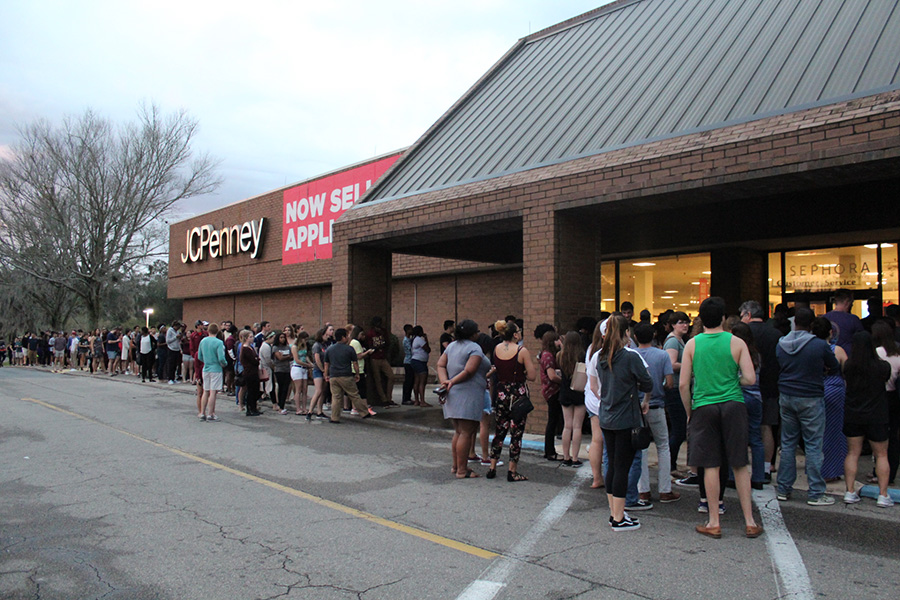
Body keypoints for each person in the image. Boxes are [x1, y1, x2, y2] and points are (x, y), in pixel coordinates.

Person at [681, 297, 762, 539]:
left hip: (704, 406)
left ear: (701, 319)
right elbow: (750, 378)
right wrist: (731, 380)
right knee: (739, 463)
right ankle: (749, 521)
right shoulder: (736, 342)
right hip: (733, 404)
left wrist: (689, 412)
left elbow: (684, 384)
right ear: (724, 319)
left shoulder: (692, 345)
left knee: (710, 464)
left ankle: (714, 521)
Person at [591, 315, 651, 531]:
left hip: (606, 416)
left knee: (613, 465)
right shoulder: (629, 357)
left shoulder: (601, 356)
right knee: (622, 467)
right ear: (626, 333)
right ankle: (618, 517)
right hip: (626, 418)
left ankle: (615, 511)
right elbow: (647, 381)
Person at [776, 306, 840, 506]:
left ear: (794, 322)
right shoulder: (819, 345)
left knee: (788, 444)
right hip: (811, 395)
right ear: (812, 324)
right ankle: (816, 492)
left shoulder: (781, 344)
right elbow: (835, 365)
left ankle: (784, 489)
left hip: (786, 394)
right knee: (813, 445)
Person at [842, 331, 894, 507]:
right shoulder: (882, 367)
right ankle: (883, 494)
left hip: (853, 414)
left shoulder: (848, 366)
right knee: (881, 454)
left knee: (852, 453)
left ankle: (849, 491)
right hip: (877, 415)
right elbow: (886, 382)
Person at [437, 319, 491, 479]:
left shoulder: (452, 345)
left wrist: (445, 381)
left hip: (453, 394)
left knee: (459, 432)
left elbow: (440, 364)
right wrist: (451, 381)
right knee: (467, 432)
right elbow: (469, 371)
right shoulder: (474, 348)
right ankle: (462, 470)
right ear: (473, 334)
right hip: (468, 393)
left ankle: (456, 466)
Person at [633, 323, 679, 505]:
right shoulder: (662, 355)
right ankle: (665, 490)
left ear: (635, 337)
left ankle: (643, 490)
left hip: (637, 405)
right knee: (663, 446)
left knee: (641, 447)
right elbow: (670, 382)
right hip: (657, 404)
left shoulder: (632, 355)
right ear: (653, 335)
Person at [740, 300, 785, 484]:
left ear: (748, 315)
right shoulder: (776, 334)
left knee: (742, 429)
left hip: (743, 389)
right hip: (771, 387)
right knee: (766, 428)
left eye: (742, 315)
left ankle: (739, 468)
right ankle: (766, 468)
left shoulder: (741, 335)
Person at [487, 320, 537, 482]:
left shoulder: (496, 348)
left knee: (499, 431)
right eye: (519, 331)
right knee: (516, 433)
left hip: (501, 392)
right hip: (517, 393)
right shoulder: (522, 351)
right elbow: (532, 376)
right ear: (515, 334)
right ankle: (512, 471)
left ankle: (492, 466)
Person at [812, 317, 848, 481]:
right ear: (830, 332)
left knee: (815, 433)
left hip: (816, 390)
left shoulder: (810, 348)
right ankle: (831, 470)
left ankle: (816, 470)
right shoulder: (837, 350)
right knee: (834, 432)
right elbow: (847, 372)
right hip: (835, 391)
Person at [730, 322, 765, 489]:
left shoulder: (734, 351)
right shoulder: (756, 354)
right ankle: (758, 477)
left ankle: (732, 476)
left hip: (738, 395)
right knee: (756, 438)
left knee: (736, 437)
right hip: (756, 397)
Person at [664, 312, 692, 481]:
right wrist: (689, 365)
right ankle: (670, 464)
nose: (685, 325)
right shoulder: (673, 340)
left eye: (686, 322)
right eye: (681, 322)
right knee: (678, 429)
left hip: (678, 386)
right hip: (674, 388)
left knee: (679, 429)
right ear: (673, 324)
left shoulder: (680, 340)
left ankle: (671, 463)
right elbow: (671, 363)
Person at [324, 328, 373, 423]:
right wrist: (357, 374)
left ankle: (335, 417)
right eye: (347, 336)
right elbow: (355, 363)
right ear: (343, 337)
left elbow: (326, 364)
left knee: (336, 397)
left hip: (334, 376)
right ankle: (364, 413)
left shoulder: (330, 349)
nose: (348, 337)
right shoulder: (349, 349)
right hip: (346, 375)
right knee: (354, 395)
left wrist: (326, 374)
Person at [872, 321, 900, 485]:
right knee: (893, 437)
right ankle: (891, 473)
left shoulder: (875, 353)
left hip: (878, 397)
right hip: (894, 397)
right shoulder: (897, 353)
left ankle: (878, 471)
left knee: (878, 438)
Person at [557, 331, 586, 467]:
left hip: (565, 392)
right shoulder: (582, 355)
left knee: (567, 426)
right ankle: (575, 457)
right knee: (577, 426)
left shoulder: (560, 356)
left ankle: (566, 456)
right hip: (579, 391)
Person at [539, 330, 564, 461]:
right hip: (552, 391)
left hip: (549, 390)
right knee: (553, 421)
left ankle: (549, 450)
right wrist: (565, 381)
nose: (558, 342)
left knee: (553, 420)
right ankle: (550, 451)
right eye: (556, 340)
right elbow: (552, 376)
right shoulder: (548, 356)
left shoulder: (545, 354)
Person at [196, 322, 227, 421]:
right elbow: (221, 358)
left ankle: (202, 412)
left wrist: (206, 361)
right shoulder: (219, 342)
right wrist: (224, 364)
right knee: (213, 392)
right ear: (217, 331)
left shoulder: (203, 341)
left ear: (208, 330)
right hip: (216, 369)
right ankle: (211, 413)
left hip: (206, 368)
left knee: (206, 391)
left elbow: (199, 356)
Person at [365, 317, 395, 406]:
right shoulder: (370, 333)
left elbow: (388, 343)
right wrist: (378, 347)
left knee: (391, 376)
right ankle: (384, 399)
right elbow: (370, 346)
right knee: (377, 379)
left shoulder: (383, 331)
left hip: (383, 357)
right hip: (374, 358)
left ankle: (389, 398)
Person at [825, 289, 863, 356]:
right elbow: (861, 341)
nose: (852, 305)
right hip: (848, 358)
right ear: (847, 302)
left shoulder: (824, 318)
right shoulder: (853, 319)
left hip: (828, 358)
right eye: (852, 302)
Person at [307, 325, 333, 421]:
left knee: (323, 392)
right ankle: (310, 411)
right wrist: (323, 370)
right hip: (318, 370)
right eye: (326, 334)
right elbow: (317, 359)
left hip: (326, 370)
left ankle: (319, 411)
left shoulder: (326, 345)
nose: (328, 336)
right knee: (318, 391)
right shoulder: (316, 345)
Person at [239, 329, 262, 416]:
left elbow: (257, 358)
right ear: (246, 338)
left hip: (254, 372)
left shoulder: (251, 347)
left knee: (255, 390)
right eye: (250, 337)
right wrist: (256, 360)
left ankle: (254, 407)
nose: (252, 338)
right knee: (251, 391)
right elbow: (254, 360)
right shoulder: (245, 349)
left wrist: (257, 359)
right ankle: (250, 408)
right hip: (249, 372)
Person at [290, 331, 313, 415]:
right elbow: (297, 360)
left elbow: (306, 356)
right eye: (304, 339)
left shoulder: (304, 346)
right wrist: (307, 365)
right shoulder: (294, 347)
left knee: (305, 389)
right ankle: (298, 408)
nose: (306, 341)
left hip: (304, 369)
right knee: (298, 389)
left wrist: (310, 363)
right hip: (297, 368)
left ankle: (304, 407)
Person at [271, 332, 293, 414]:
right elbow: (279, 357)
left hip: (287, 369)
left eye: (283, 337)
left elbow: (292, 356)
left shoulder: (287, 347)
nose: (282, 339)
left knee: (286, 388)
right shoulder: (275, 347)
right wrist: (287, 356)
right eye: (281, 337)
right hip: (279, 369)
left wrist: (286, 356)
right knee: (281, 388)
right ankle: (280, 406)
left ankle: (282, 405)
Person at [411, 326, 431, 406]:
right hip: (420, 362)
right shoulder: (419, 340)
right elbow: (428, 349)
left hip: (415, 361)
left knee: (417, 381)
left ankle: (416, 400)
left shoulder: (414, 339)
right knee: (422, 382)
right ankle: (422, 401)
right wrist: (426, 338)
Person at [401, 324, 415, 405]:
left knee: (411, 380)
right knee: (408, 380)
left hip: (411, 361)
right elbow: (411, 349)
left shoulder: (410, 339)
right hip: (408, 362)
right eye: (411, 329)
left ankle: (408, 397)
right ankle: (405, 398)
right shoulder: (406, 340)